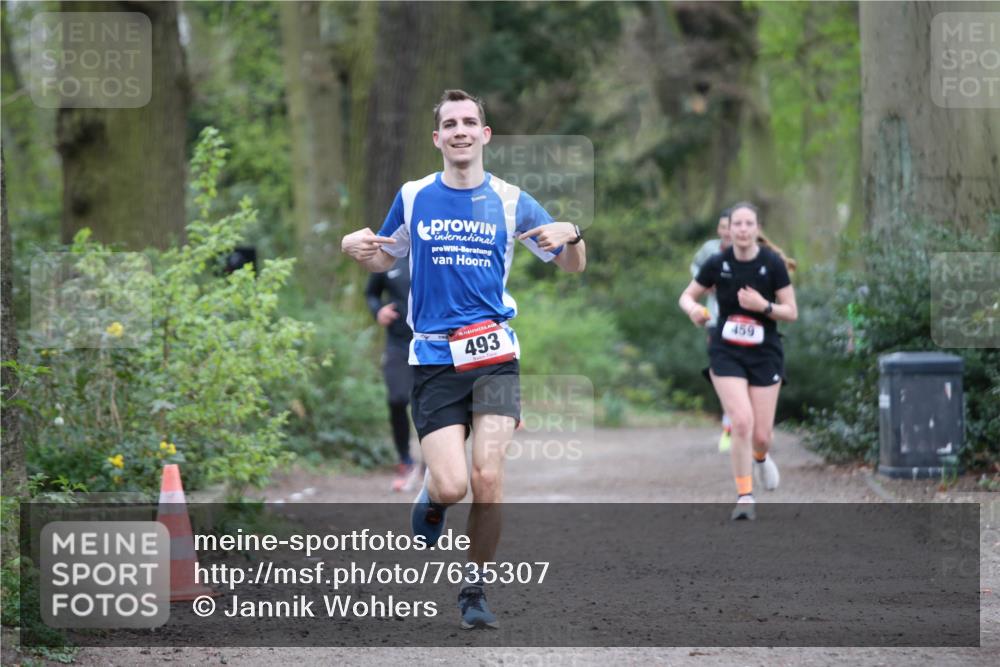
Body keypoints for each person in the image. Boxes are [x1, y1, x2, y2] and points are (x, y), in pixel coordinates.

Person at [341, 89, 586, 628]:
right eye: (449, 123)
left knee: (488, 478)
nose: (460, 130)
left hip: (495, 356)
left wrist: (574, 234)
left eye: (469, 122)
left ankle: (474, 589)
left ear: (484, 134)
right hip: (431, 359)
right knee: (452, 485)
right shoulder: (412, 196)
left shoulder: (510, 199)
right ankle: (432, 499)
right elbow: (384, 254)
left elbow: (570, 265)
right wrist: (355, 247)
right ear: (437, 138)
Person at [678, 202, 797, 520]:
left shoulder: (772, 263)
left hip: (765, 352)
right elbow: (687, 295)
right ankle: (745, 496)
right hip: (726, 349)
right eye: (737, 224)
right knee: (741, 422)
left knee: (761, 435)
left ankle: (760, 457)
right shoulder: (717, 263)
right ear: (728, 230)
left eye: (749, 224)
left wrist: (763, 306)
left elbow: (791, 312)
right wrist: (694, 311)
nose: (743, 230)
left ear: (757, 229)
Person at [365, 256, 422, 492]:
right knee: (397, 398)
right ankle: (405, 460)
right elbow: (371, 293)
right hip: (398, 344)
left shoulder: (434, 250)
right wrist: (378, 311)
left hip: (432, 343)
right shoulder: (389, 258)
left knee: (429, 403)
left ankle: (432, 463)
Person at [690, 209, 733, 452]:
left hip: (752, 326)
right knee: (725, 374)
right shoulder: (710, 252)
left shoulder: (758, 253)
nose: (726, 231)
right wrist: (705, 284)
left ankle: (752, 424)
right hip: (717, 321)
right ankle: (729, 423)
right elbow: (695, 269)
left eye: (730, 225)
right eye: (722, 226)